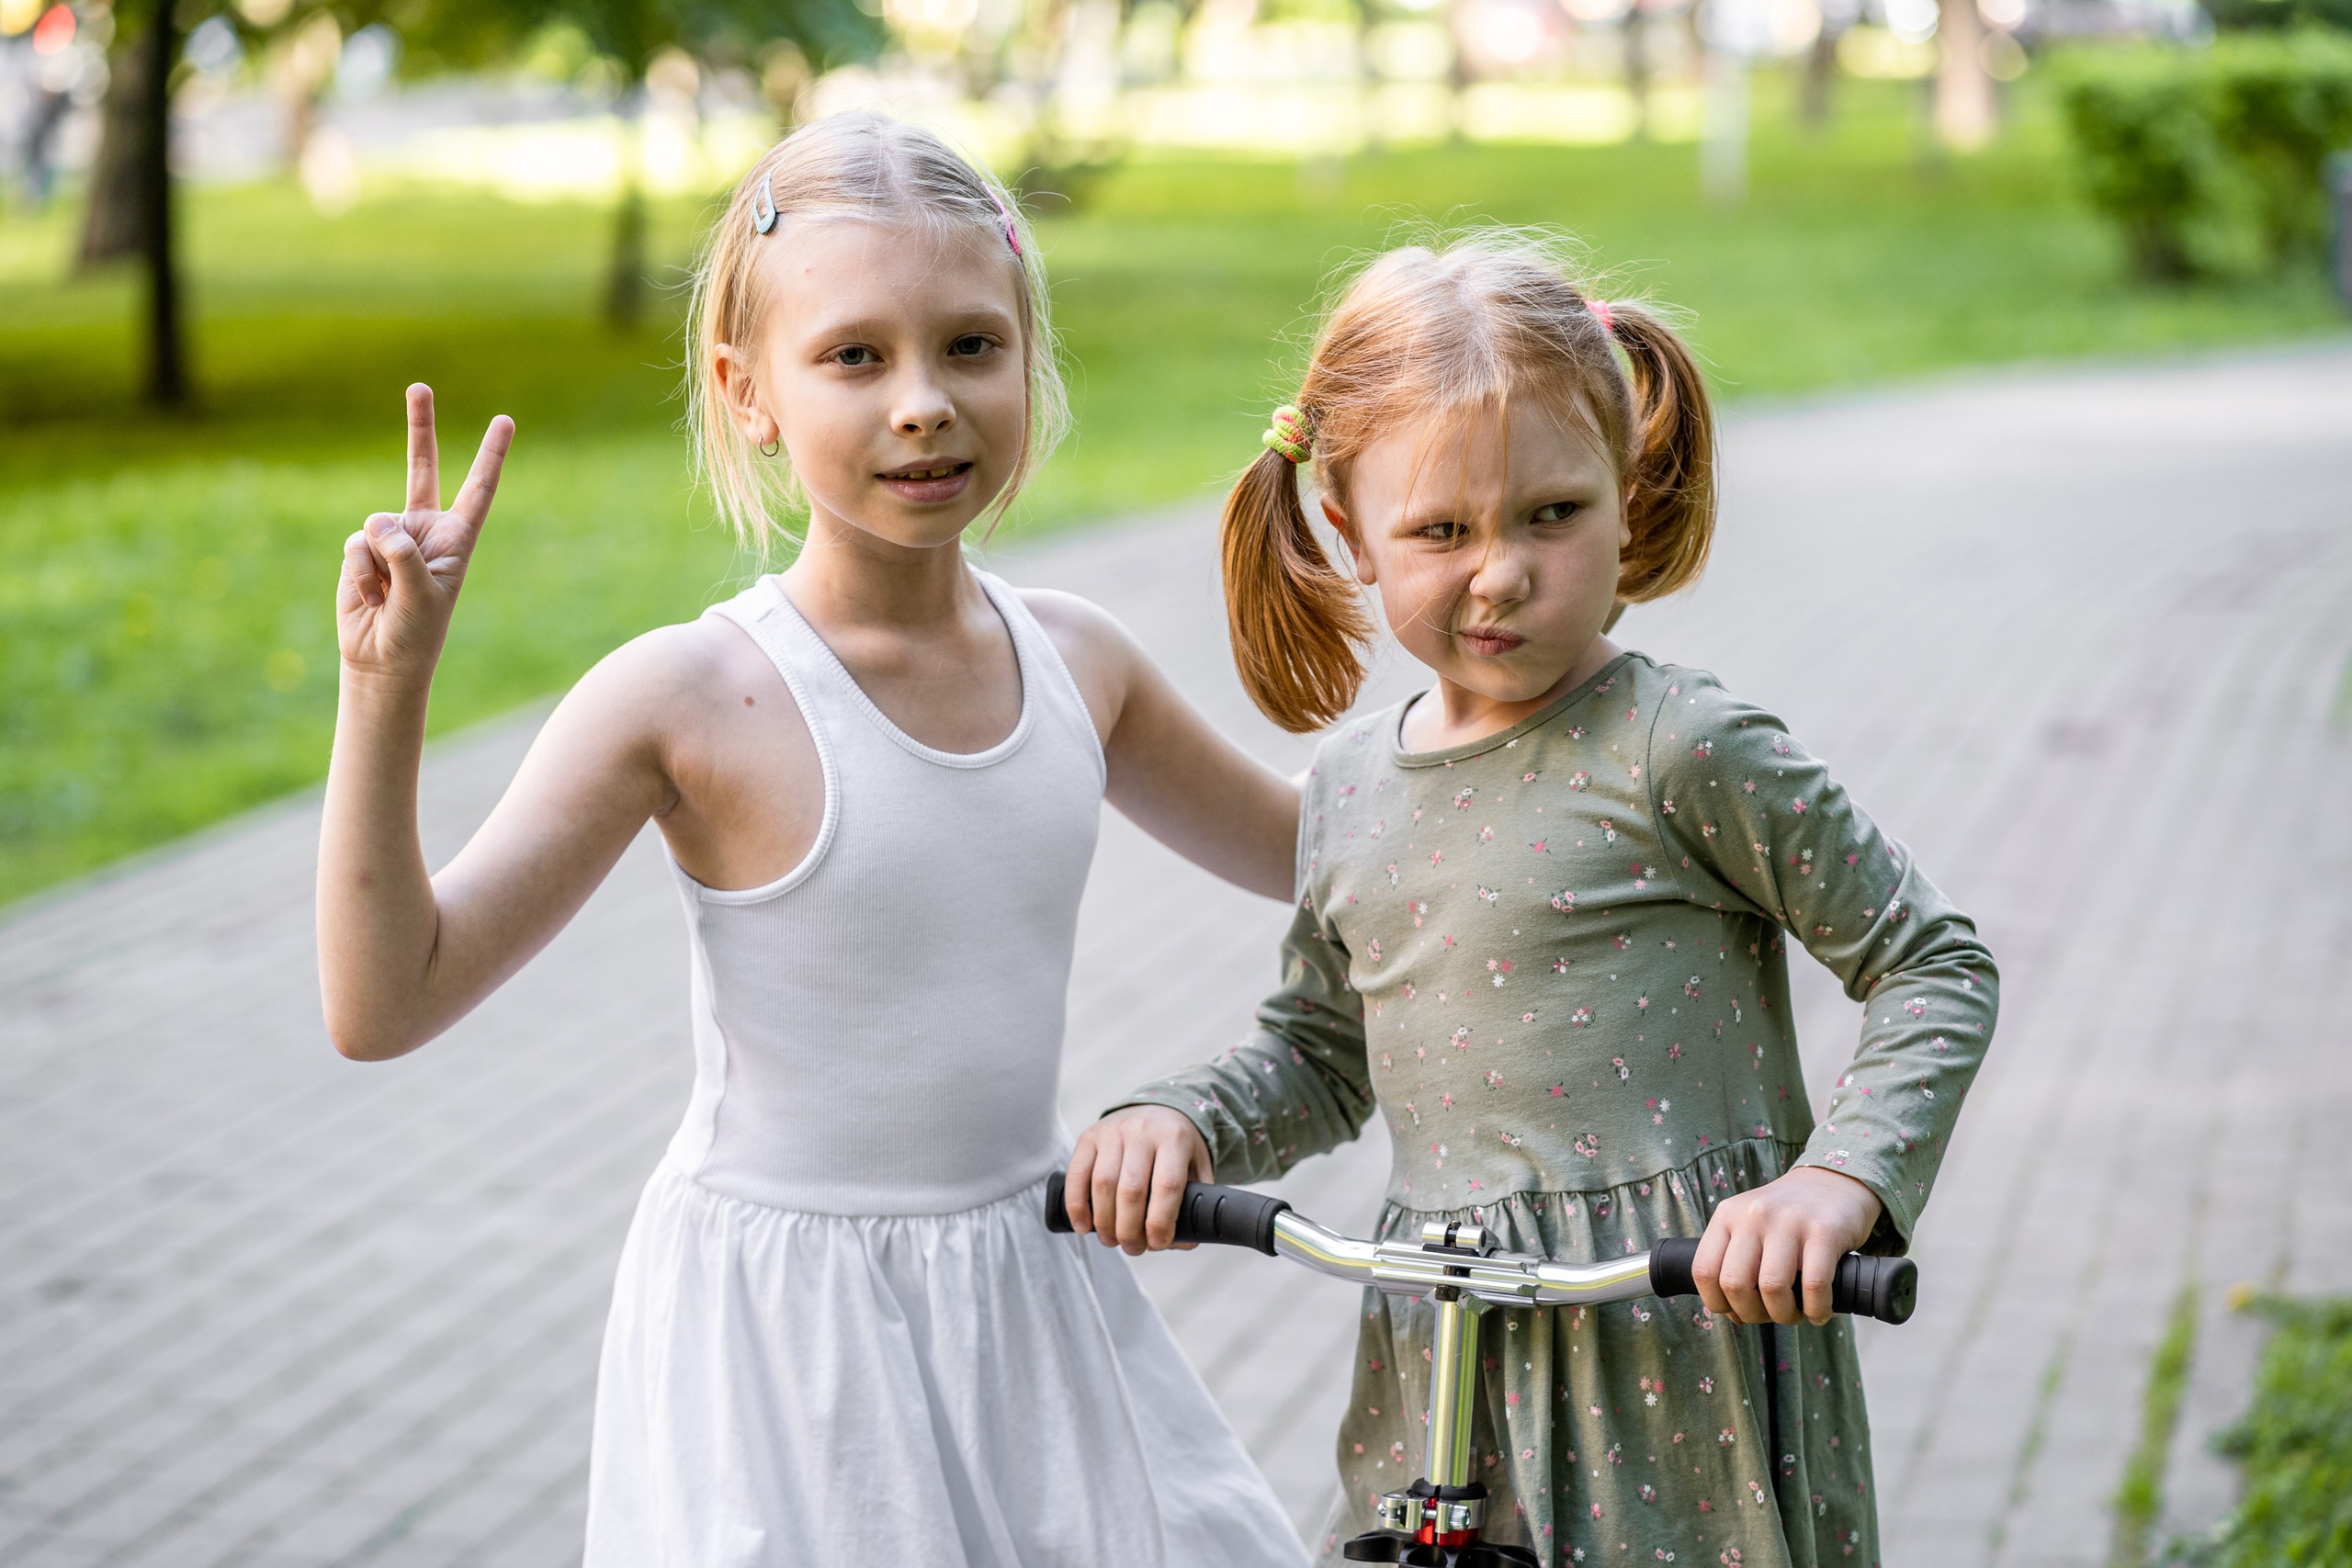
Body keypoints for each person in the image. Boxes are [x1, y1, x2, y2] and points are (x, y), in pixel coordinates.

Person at [317, 112, 1306, 1568]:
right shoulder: (689, 696)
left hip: (1036, 1287)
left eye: (972, 346)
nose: (925, 403)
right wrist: (385, 689)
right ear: (749, 388)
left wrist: (1505, 663)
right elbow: (385, 999)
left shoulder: (1081, 665)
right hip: (791, 1341)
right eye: (856, 357)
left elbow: (1323, 857)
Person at [1064, 233, 1999, 1566]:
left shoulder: (1681, 747)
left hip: (1685, 1341)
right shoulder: (1347, 793)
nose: (1498, 571)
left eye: (1550, 515)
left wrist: (1836, 1184)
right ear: (1349, 533)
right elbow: (1326, 1052)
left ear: (1627, 495)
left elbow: (1933, 963)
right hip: (1447, 1357)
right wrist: (1184, 1122)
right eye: (1440, 531)